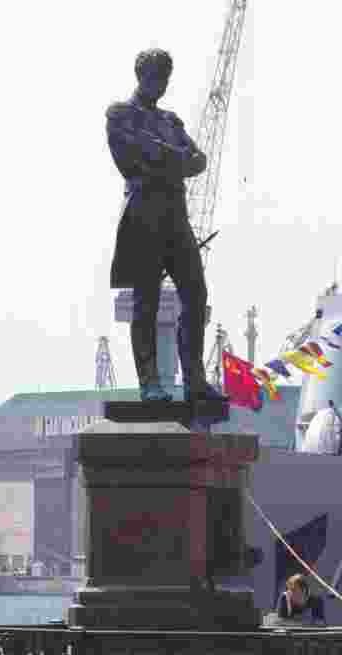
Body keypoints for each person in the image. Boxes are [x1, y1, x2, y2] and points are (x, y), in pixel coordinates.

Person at [105, 48, 223, 403]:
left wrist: (158, 154)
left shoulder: (171, 122)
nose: (161, 84)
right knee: (146, 301)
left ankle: (195, 381)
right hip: (144, 215)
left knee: (196, 293)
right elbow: (128, 160)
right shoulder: (120, 114)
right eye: (156, 76)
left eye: (165, 78)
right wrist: (173, 158)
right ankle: (150, 383)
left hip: (176, 215)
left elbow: (198, 160)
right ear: (141, 76)